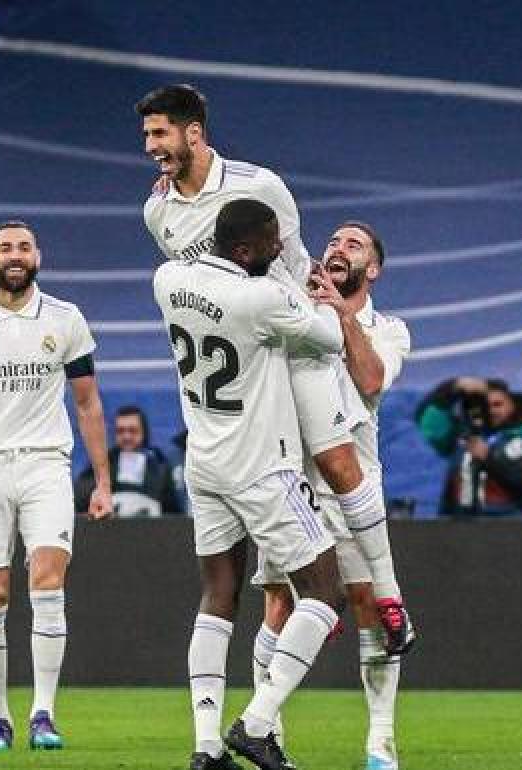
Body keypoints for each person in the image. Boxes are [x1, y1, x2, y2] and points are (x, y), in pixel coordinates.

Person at [136, 82, 411, 642]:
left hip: (299, 342)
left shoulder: (260, 185)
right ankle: (307, 615)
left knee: (338, 462)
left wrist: (320, 313)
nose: (150, 146)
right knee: (275, 512)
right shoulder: (157, 210)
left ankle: (388, 594)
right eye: (147, 135)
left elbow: (296, 261)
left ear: (194, 133)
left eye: (159, 133)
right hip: (249, 364)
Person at [155, 198, 365, 770]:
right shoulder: (262, 298)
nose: (281, 250)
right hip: (263, 466)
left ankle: (205, 747)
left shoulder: (167, 280)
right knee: (324, 591)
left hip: (204, 462)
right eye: (273, 242)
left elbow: (185, 259)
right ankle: (257, 722)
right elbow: (328, 337)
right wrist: (319, 296)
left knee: (217, 595)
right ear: (246, 249)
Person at [0, 220, 114, 753]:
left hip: (45, 463)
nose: (15, 255)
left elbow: (87, 402)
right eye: (5, 247)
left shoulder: (65, 318)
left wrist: (102, 480)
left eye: (24, 247)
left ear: (38, 257)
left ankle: (43, 714)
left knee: (48, 581)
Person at [253, 222, 413, 770]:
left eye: (354, 244)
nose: (338, 248)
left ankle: (380, 741)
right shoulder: (295, 310)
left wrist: (342, 316)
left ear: (374, 269)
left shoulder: (389, 329)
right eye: (335, 242)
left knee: (370, 607)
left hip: (353, 489)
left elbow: (370, 382)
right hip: (292, 483)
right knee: (280, 603)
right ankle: (267, 732)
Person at [415, 377, 522, 517]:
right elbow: (428, 421)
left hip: (518, 526)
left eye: (498, 405)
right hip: (462, 526)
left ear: (514, 405)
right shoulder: (462, 436)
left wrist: (489, 458)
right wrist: (452, 387)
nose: (491, 411)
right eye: (485, 406)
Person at [74, 404, 182, 516]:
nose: (127, 436)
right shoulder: (103, 463)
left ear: (144, 432)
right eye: (121, 431)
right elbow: (81, 498)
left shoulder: (159, 464)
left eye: (133, 430)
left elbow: (172, 509)